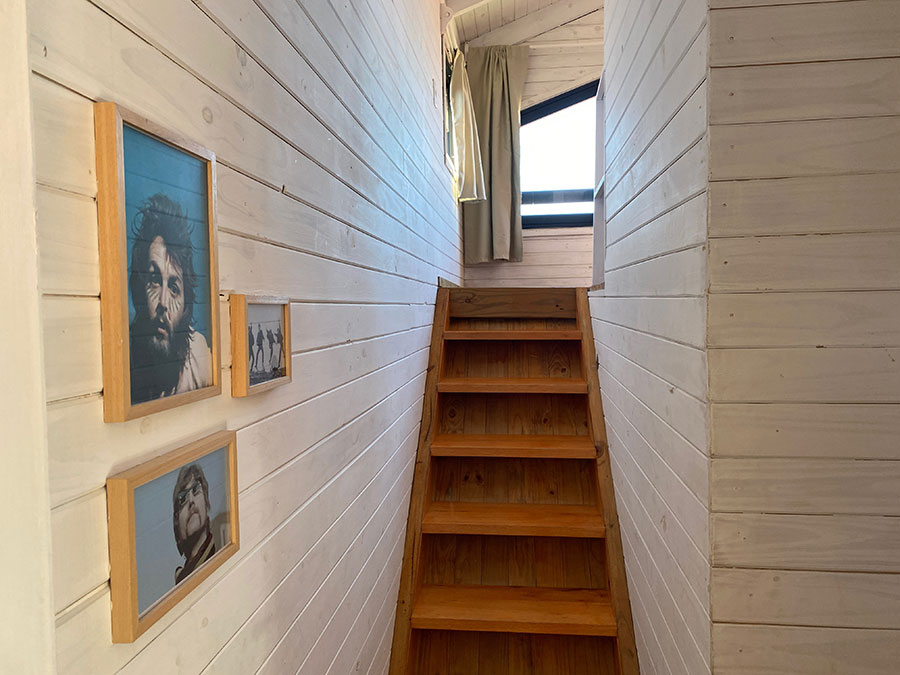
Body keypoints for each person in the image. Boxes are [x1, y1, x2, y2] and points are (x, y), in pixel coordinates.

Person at [128, 193, 211, 403]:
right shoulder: (123, 362)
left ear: (185, 306)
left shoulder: (198, 357)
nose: (163, 303)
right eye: (154, 280)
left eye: (174, 288)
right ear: (138, 288)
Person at [172, 463, 216, 584]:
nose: (191, 500)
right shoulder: (182, 577)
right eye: (183, 498)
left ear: (206, 503)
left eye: (196, 489)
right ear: (177, 523)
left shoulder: (218, 549)